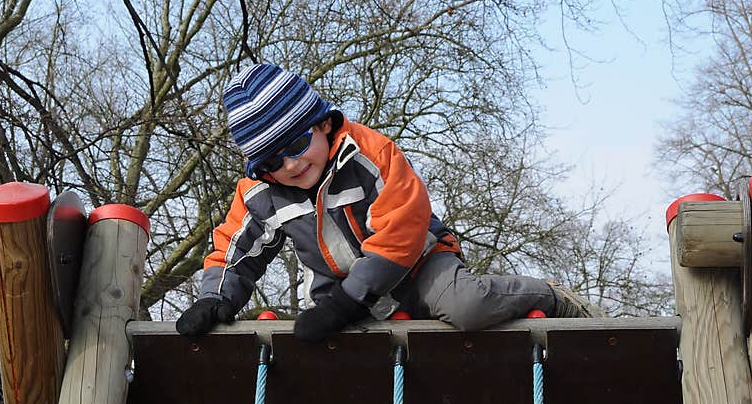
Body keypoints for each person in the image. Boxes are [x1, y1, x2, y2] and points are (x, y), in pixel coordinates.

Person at [176, 63, 602, 342]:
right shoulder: (262, 193)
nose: (290, 164)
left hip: (418, 264)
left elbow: (403, 225)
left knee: (464, 307)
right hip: (340, 287)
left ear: (322, 124)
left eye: (298, 143)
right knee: (323, 347)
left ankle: (549, 294)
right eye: (271, 160)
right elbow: (235, 247)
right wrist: (217, 299)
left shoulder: (369, 155)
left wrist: (348, 301)